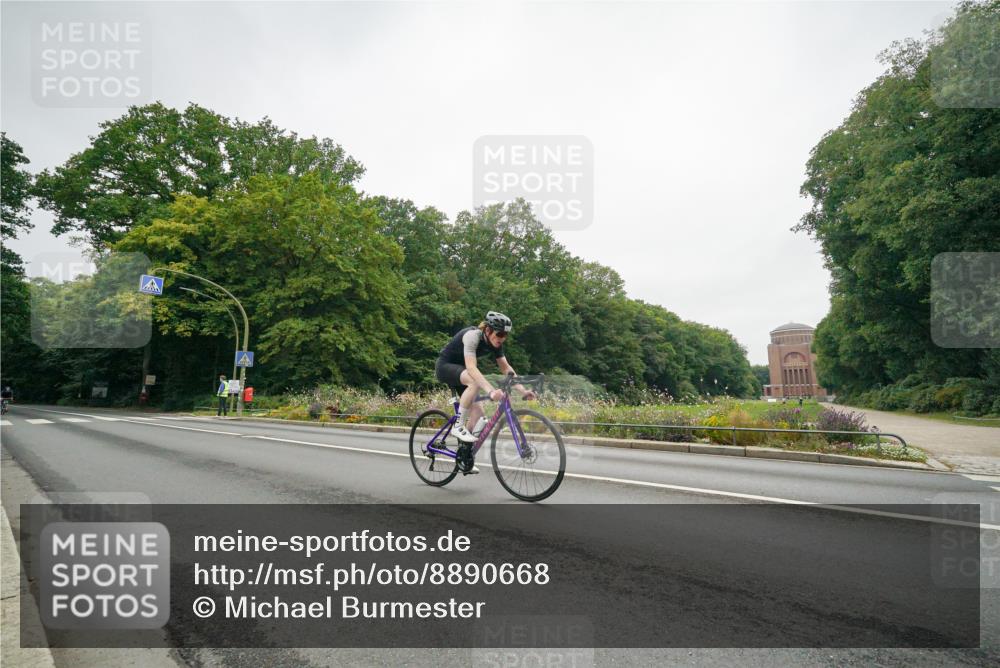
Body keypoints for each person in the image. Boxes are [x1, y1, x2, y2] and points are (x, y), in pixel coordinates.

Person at [435, 311, 536, 473]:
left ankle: (464, 456)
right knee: (474, 381)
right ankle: (458, 425)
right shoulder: (472, 336)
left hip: (463, 374)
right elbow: (471, 367)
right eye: (500, 334)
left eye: (506, 335)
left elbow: (506, 368)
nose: (502, 338)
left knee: (479, 415)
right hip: (445, 367)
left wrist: (522, 390)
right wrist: (490, 391)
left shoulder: (496, 343)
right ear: (488, 330)